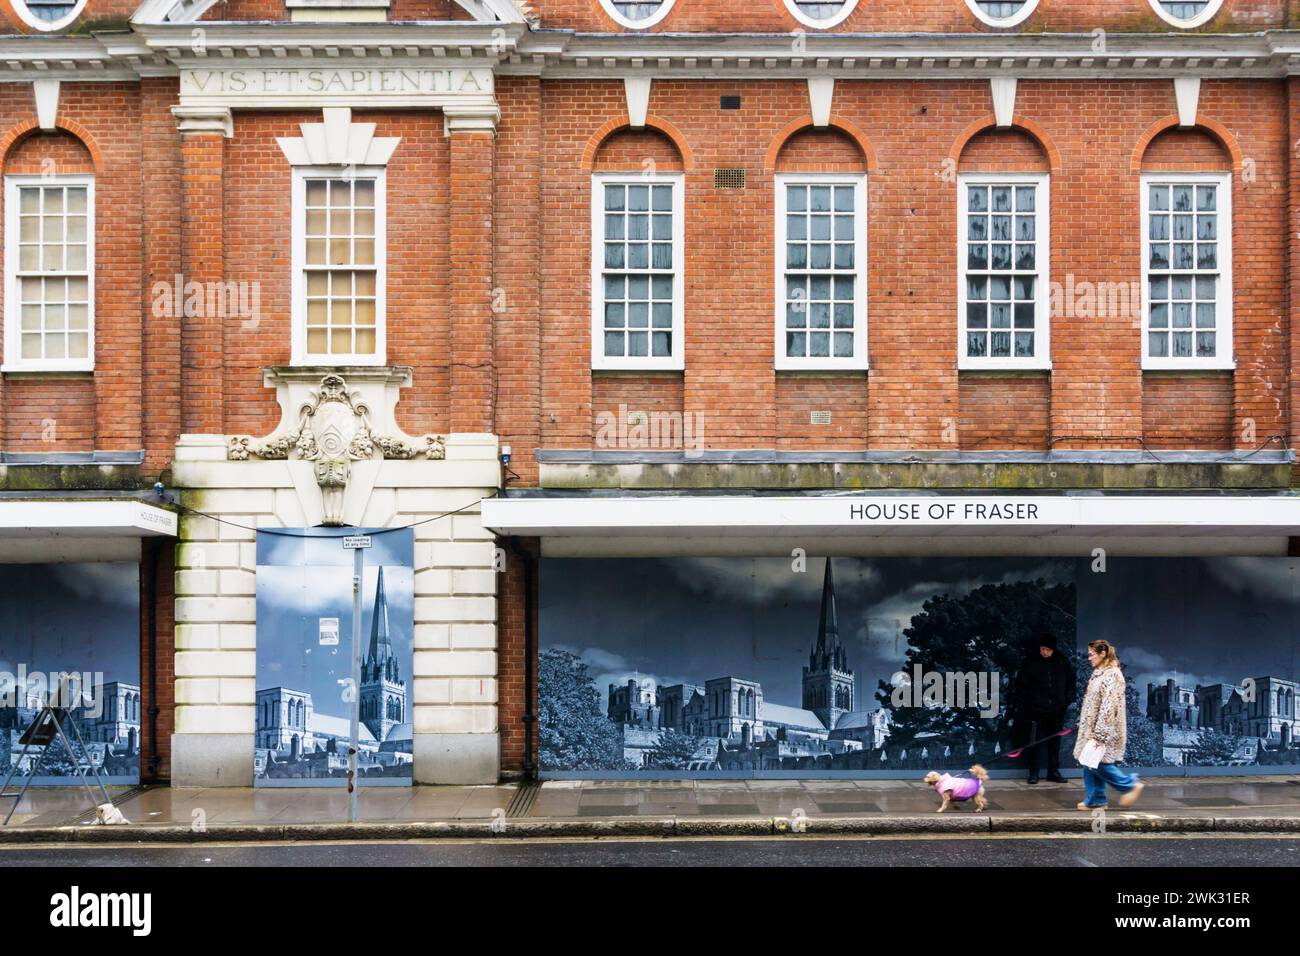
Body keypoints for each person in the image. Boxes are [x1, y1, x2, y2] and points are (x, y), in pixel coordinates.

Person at [1074, 639, 1144, 811]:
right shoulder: (1099, 674)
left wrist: (1100, 734)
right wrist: (1083, 722)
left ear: (1103, 654)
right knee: (1090, 762)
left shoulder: (1112, 675)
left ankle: (1129, 785)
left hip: (1104, 730)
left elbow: (1108, 705)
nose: (1089, 658)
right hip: (1092, 728)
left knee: (1098, 763)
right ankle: (1097, 799)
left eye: (1091, 654)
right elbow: (1092, 704)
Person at [1011, 631, 1075, 784]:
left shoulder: (1062, 661)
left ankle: (1053, 771)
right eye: (1042, 649)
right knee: (1035, 742)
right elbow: (1021, 686)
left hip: (1057, 710)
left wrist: (1066, 701)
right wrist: (1024, 707)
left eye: (1047, 649)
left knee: (1055, 742)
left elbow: (1071, 683)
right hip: (1036, 710)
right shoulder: (1031, 662)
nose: (1044, 652)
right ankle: (1034, 772)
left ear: (1053, 649)